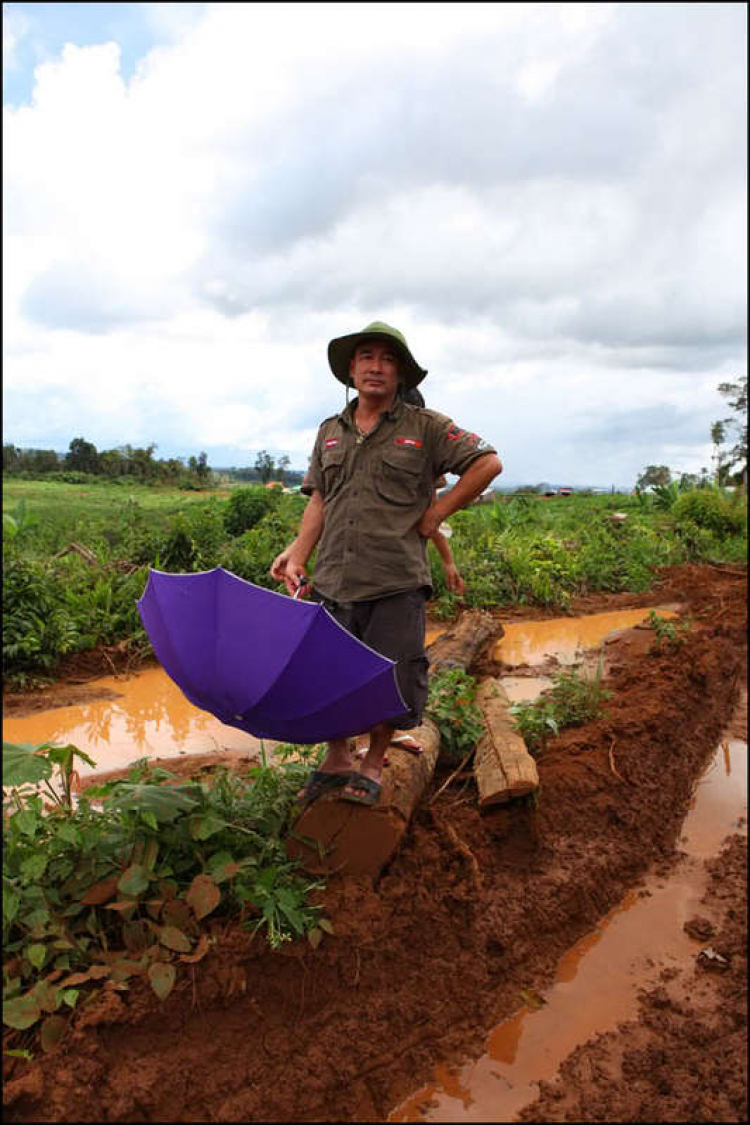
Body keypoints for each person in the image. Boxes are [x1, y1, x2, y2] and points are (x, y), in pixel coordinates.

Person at [270, 320, 502, 807]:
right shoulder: (330, 432)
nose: (376, 367)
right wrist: (297, 552)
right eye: (367, 358)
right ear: (351, 371)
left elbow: (487, 463)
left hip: (395, 580)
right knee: (328, 672)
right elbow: (319, 501)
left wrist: (437, 512)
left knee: (392, 674)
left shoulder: (427, 427)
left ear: (401, 374)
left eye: (388, 359)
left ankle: (374, 762)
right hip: (333, 577)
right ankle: (336, 758)